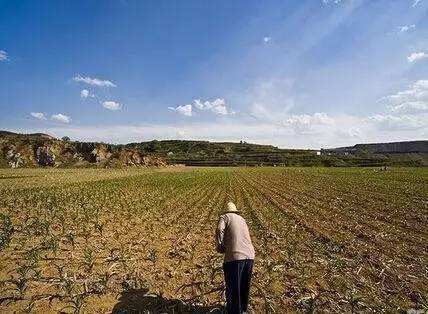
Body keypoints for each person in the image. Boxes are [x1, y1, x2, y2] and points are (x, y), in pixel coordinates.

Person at [215, 202, 255, 314]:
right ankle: (243, 310)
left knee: (233, 287)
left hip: (235, 257)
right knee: (244, 286)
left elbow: (219, 230)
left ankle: (234, 311)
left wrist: (220, 245)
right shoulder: (242, 219)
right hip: (250, 256)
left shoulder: (225, 217)